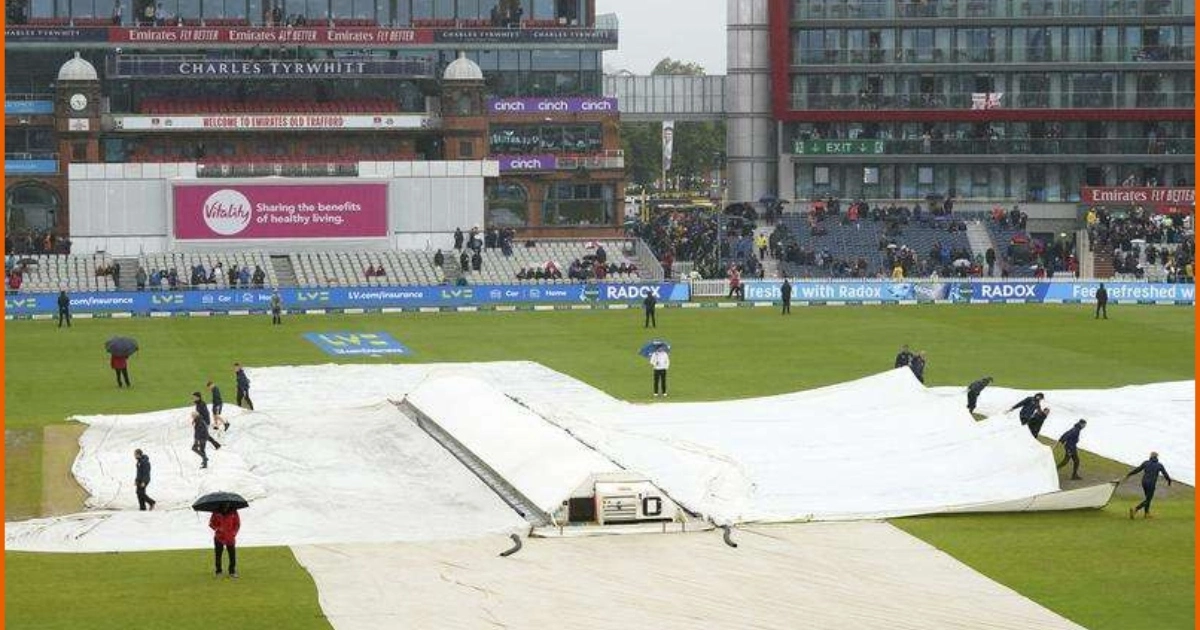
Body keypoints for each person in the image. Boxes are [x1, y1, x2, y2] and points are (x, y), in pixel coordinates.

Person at [1125, 452, 1172, 519]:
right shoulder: (1159, 465)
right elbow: (1165, 474)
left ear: (1150, 456)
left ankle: (1146, 514)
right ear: (1157, 457)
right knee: (1148, 499)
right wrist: (1169, 481)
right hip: (1151, 484)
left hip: (1144, 482)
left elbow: (1138, 469)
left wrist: (1129, 474)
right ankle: (1135, 509)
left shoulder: (1146, 462)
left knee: (1147, 498)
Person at [210, 502, 241, 578]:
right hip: (219, 537)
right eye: (224, 504)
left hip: (230, 537)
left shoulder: (234, 511)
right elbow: (211, 523)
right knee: (218, 555)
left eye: (227, 503)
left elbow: (237, 524)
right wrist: (217, 528)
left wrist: (234, 533)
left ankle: (232, 571)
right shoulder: (216, 512)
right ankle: (218, 571)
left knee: (232, 555)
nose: (226, 505)